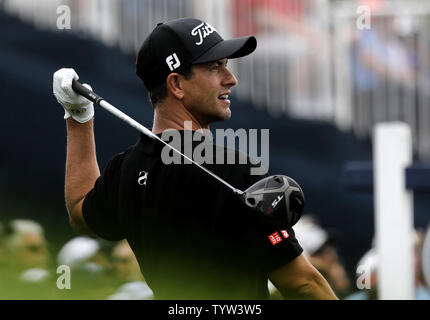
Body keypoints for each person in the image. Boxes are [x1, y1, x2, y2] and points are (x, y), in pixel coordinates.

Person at [53, 17, 337, 299]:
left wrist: (78, 117)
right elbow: (303, 285)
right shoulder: (235, 170)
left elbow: (80, 212)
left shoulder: (125, 169)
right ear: (176, 84)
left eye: (226, 65)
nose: (231, 79)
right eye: (215, 67)